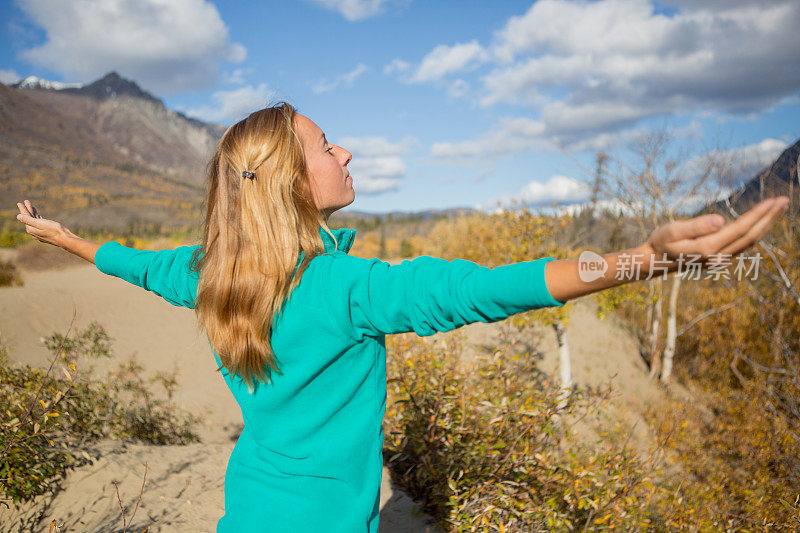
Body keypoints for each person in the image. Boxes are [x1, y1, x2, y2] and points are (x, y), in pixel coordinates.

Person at [15, 101, 790, 532]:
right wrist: (644, 260)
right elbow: (486, 287)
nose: (345, 151)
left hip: (246, 510)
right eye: (325, 146)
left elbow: (136, 264)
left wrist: (66, 237)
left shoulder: (209, 274)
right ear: (291, 181)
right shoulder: (346, 288)